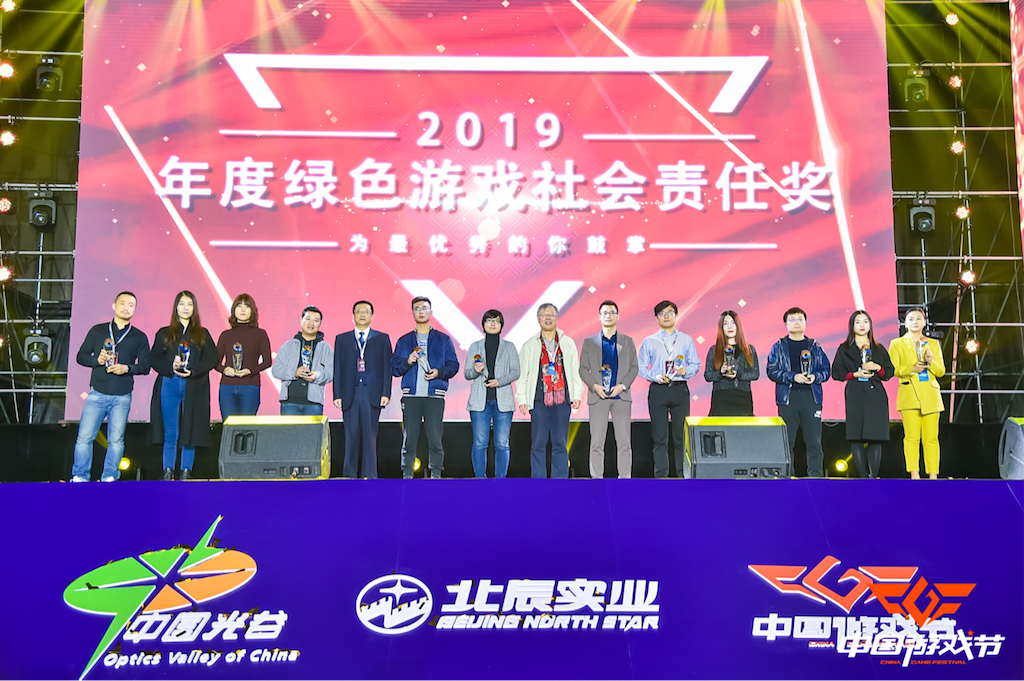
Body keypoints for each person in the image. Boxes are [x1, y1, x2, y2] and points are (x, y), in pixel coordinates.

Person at [71, 291, 151, 482]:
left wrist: (127, 368)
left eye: (131, 305)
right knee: (84, 438)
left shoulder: (139, 337)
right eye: (122, 303)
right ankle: (80, 475)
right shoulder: (98, 330)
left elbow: (146, 366)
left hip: (122, 395)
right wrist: (97, 361)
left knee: (116, 440)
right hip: (97, 393)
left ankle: (110, 476)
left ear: (135, 309)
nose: (126, 308)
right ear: (114, 306)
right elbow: (81, 356)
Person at [149, 290, 218, 481]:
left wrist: (193, 370)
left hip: (194, 386)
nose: (185, 308)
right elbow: (153, 358)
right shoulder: (164, 333)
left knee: (190, 430)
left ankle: (186, 470)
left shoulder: (202, 334)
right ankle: (168, 470)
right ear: (176, 307)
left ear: (194, 308)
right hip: (169, 384)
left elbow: (213, 358)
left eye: (189, 304)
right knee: (171, 431)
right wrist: (170, 366)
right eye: (182, 304)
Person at [392, 296, 460, 478]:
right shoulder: (404, 341)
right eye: (417, 309)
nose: (421, 312)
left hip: (434, 396)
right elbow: (395, 369)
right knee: (409, 439)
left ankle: (436, 474)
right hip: (411, 397)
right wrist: (408, 361)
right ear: (412, 313)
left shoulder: (443, 339)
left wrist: (439, 372)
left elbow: (453, 365)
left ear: (431, 312)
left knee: (435, 439)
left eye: (424, 308)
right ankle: (407, 474)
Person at [516, 303, 583, 478]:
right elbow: (523, 375)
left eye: (551, 315)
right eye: (544, 315)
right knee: (538, 443)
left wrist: (576, 395)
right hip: (539, 400)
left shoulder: (567, 343)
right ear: (538, 319)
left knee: (560, 442)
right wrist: (522, 398)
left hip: (562, 401)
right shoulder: (530, 345)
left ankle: (559, 481)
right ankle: (538, 481)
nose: (547, 318)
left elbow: (575, 371)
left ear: (557, 318)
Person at [638, 300, 700, 478]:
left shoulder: (686, 340)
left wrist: (686, 371)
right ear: (656, 318)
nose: (666, 316)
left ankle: (682, 475)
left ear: (676, 315)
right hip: (658, 390)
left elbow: (695, 364)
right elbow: (641, 368)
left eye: (670, 312)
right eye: (662, 313)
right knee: (659, 438)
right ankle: (661, 477)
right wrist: (654, 376)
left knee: (681, 437)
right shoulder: (649, 341)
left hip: (679, 389)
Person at [766, 307, 831, 477]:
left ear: (805, 323)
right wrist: (793, 377)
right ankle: (788, 477)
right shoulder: (779, 347)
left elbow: (826, 370)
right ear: (786, 324)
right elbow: (772, 371)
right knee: (787, 442)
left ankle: (815, 477)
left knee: (814, 442)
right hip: (788, 398)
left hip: (811, 397)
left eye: (800, 319)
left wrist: (815, 377)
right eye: (792, 320)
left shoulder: (815, 346)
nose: (796, 322)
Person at [579, 300, 639, 478]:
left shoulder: (628, 341)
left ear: (618, 316)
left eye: (612, 312)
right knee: (596, 442)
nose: (608, 316)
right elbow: (583, 369)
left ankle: (625, 478)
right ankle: (597, 479)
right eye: (605, 313)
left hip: (621, 397)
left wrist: (622, 386)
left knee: (624, 443)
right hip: (598, 397)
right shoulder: (589, 342)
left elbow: (634, 368)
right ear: (599, 317)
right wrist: (594, 386)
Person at [831, 310, 895, 478]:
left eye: (865, 321)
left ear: (870, 325)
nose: (862, 325)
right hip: (855, 394)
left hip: (875, 395)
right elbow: (836, 373)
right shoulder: (844, 349)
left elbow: (889, 372)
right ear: (852, 326)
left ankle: (873, 476)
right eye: (858, 322)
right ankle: (862, 476)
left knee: (875, 436)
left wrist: (877, 367)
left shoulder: (878, 348)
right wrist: (855, 374)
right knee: (856, 436)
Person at [333, 300, 392, 479]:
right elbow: (337, 369)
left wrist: (386, 393)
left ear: (372, 316)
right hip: (349, 393)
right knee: (350, 437)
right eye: (359, 311)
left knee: (370, 438)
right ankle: (349, 476)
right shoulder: (342, 339)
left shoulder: (382, 338)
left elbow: (387, 368)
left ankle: (370, 476)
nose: (362, 314)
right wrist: (337, 394)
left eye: (366, 311)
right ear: (353, 316)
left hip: (371, 393)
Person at [889, 307, 945, 479]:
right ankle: (914, 473)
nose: (915, 322)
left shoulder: (933, 344)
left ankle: (933, 475)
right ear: (905, 323)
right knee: (911, 437)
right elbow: (893, 369)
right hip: (909, 393)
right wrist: (911, 368)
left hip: (930, 394)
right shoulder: (897, 343)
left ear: (924, 322)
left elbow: (941, 371)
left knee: (931, 438)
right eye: (911, 319)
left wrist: (931, 362)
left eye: (919, 318)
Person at [464, 309, 520, 478]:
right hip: (479, 402)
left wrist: (499, 381)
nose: (493, 324)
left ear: (501, 325)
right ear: (483, 325)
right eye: (489, 321)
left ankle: (500, 480)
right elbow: (467, 374)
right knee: (480, 444)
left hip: (502, 401)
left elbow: (516, 372)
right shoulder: (475, 346)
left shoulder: (509, 347)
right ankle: (480, 479)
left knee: (502, 444)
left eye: (496, 321)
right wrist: (475, 370)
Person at [214, 293, 272, 418]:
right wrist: (224, 370)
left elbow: (267, 362)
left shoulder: (260, 334)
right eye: (239, 306)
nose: (243, 310)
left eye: (247, 306)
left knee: (247, 426)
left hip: (250, 387)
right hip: (227, 387)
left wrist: (249, 371)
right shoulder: (225, 335)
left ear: (253, 311)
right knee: (229, 425)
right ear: (234, 310)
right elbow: (215, 362)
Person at [271, 306, 334, 416]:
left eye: (316, 320)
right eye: (308, 319)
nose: (311, 323)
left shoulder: (326, 348)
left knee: (312, 429)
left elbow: (331, 373)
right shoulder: (288, 345)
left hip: (314, 403)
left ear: (320, 324)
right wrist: (294, 372)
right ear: (301, 321)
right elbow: (276, 370)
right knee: (289, 428)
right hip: (290, 402)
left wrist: (317, 375)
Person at [704, 310, 759, 416]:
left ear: (738, 325)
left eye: (733, 323)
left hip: (743, 397)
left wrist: (738, 374)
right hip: (721, 398)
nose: (729, 327)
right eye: (725, 324)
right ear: (721, 327)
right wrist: (720, 372)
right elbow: (708, 375)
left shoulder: (749, 349)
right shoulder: (714, 350)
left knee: (743, 426)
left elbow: (755, 374)